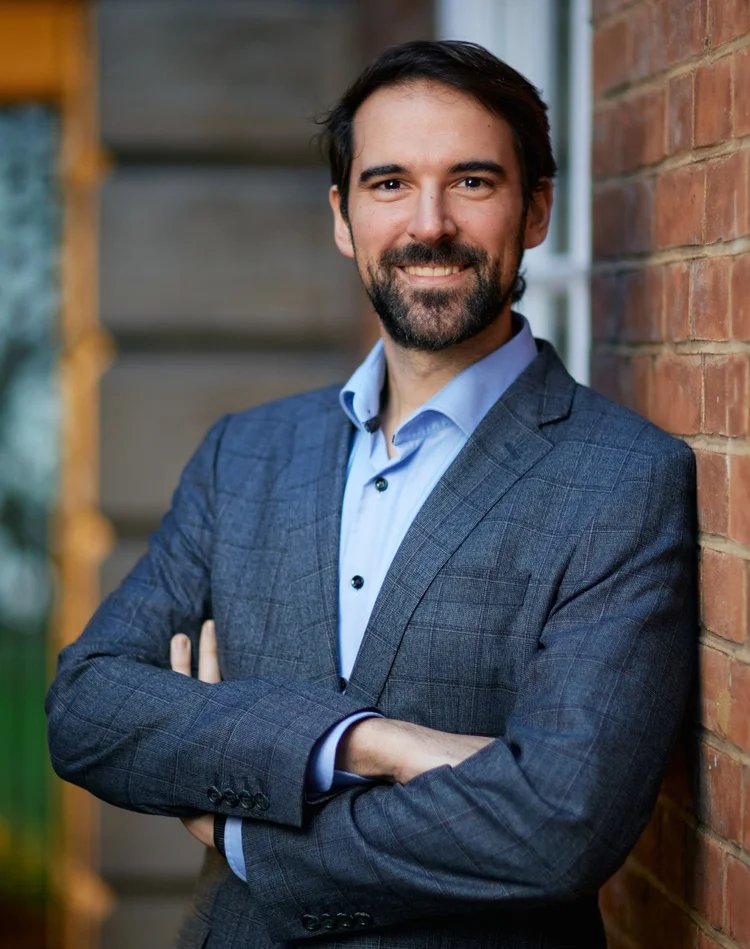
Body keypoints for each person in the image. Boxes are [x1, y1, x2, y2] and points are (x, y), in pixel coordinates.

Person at [46, 40, 696, 948]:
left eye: (472, 181)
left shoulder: (624, 478)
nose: (428, 223)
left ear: (537, 207)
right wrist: (366, 744)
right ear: (343, 217)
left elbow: (557, 824)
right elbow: (87, 707)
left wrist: (242, 822)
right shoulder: (248, 454)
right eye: (389, 183)